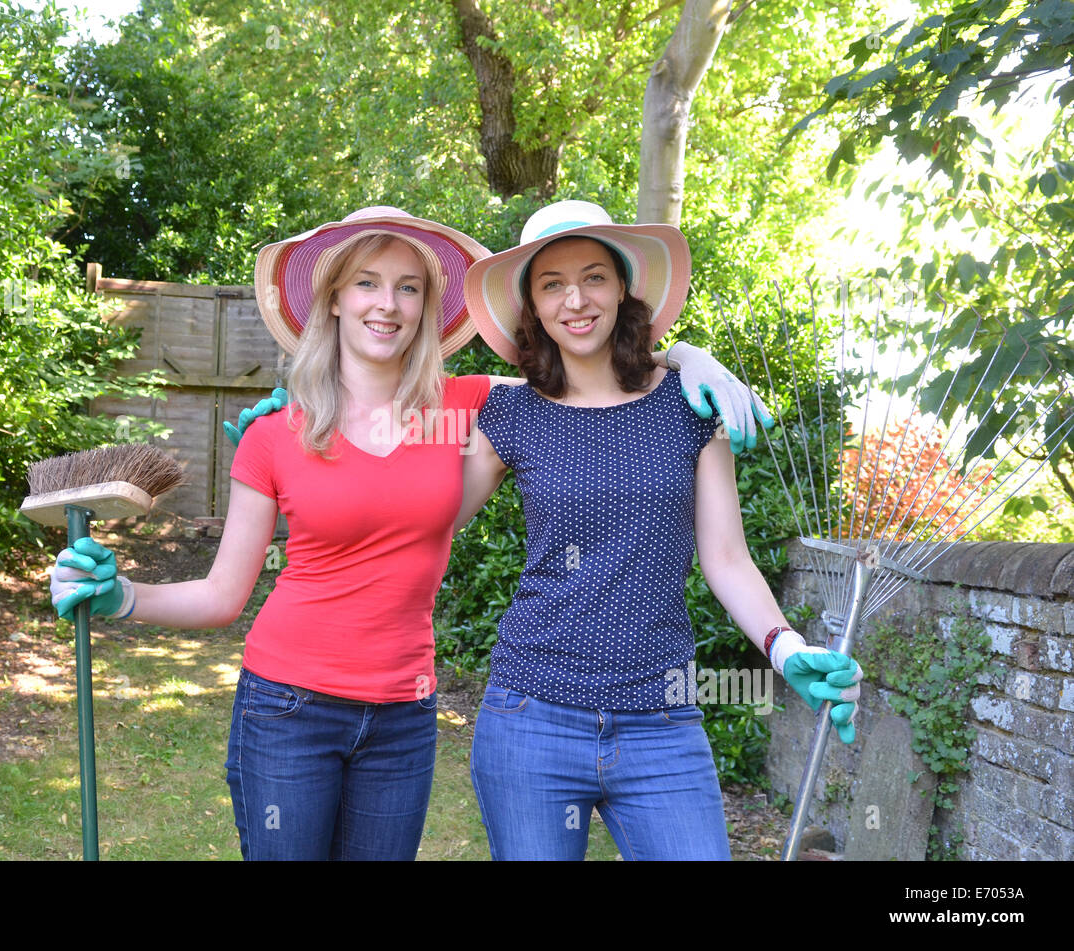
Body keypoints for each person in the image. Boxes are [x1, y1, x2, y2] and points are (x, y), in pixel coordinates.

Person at [48, 206, 770, 861]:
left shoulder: (465, 405)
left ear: (427, 306)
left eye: (408, 288)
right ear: (333, 298)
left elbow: (596, 374)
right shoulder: (271, 434)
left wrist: (691, 359)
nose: (386, 304)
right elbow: (221, 595)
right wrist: (122, 598)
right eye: (366, 283)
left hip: (403, 713)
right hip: (289, 704)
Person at [453, 200, 863, 861]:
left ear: (623, 289)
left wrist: (784, 649)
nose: (575, 299)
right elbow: (420, 521)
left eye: (593, 277)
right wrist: (307, 445)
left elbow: (726, 559)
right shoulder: (511, 415)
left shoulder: (690, 403)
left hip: (661, 721)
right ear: (533, 304)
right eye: (552, 283)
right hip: (531, 718)